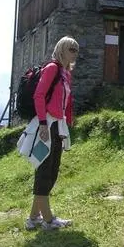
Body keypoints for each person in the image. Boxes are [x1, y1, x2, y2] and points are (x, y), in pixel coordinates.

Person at [25, 36, 78, 231]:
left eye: (76, 50)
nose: (75, 52)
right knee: (45, 170)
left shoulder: (65, 74)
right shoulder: (52, 69)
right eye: (71, 48)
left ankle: (33, 219)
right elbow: (38, 95)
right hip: (46, 124)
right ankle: (48, 220)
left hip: (58, 125)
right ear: (62, 49)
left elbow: (66, 101)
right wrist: (43, 123)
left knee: (51, 169)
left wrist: (67, 121)